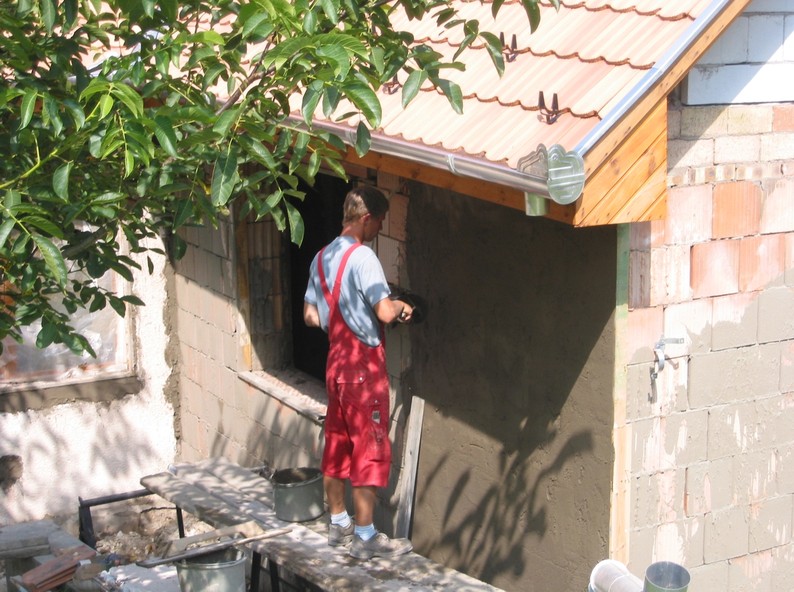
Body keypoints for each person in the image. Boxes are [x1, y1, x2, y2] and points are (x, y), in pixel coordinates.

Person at [303, 185, 414, 560]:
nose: (379, 229)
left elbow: (310, 315)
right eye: (379, 222)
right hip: (363, 369)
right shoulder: (364, 257)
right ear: (366, 219)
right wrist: (400, 305)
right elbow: (383, 312)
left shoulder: (321, 257)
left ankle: (339, 525)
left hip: (336, 362)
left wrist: (339, 318)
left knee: (337, 442)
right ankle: (365, 537)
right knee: (370, 446)